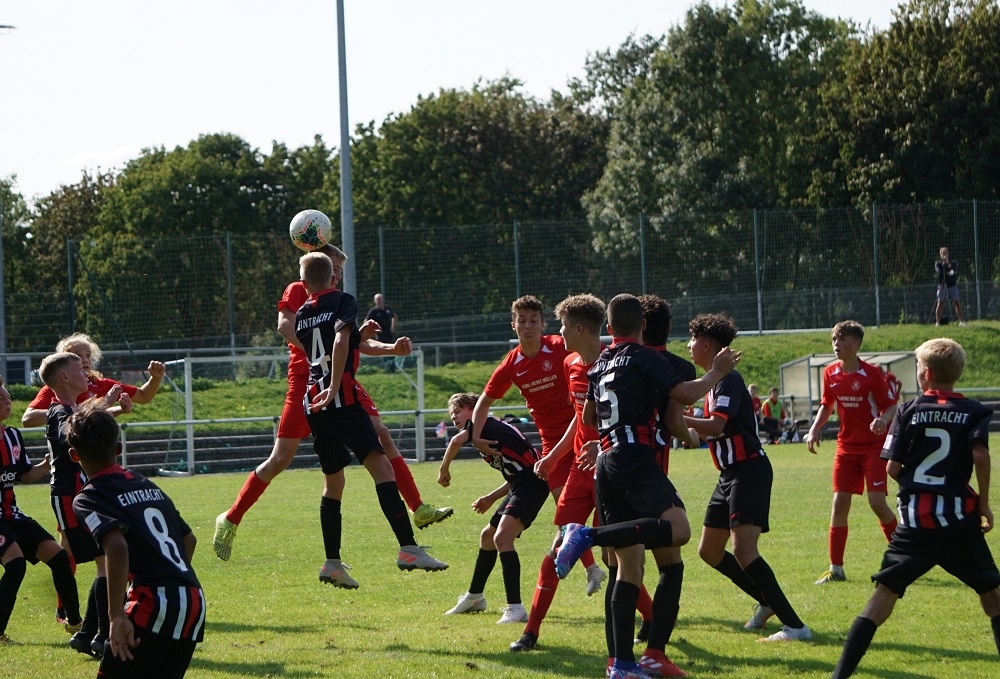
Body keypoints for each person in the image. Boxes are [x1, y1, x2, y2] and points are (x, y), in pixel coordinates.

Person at [213, 245, 451, 562]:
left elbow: (354, 342)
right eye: (334, 269)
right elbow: (285, 326)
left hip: (342, 382)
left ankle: (416, 509)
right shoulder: (300, 290)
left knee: (380, 435)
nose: (337, 275)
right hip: (308, 384)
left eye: (339, 270)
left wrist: (391, 349)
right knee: (282, 459)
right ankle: (231, 518)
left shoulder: (337, 298)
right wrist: (319, 354)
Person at [554, 294, 740, 679]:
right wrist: (716, 372)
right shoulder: (648, 358)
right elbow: (685, 396)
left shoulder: (599, 363)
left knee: (628, 568)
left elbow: (588, 416)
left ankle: (621, 664)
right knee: (679, 532)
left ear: (609, 328)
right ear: (642, 326)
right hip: (636, 460)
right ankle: (587, 535)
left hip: (605, 463)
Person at [831, 338, 1000, 678]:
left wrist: (915, 485)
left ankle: (840, 675)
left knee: (882, 598)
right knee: (992, 595)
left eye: (919, 367)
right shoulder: (974, 411)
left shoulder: (908, 410)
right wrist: (982, 500)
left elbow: (892, 467)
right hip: (958, 521)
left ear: (927, 373)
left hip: (915, 525)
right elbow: (980, 454)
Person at [294, 251, 446, 586]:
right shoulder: (343, 300)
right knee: (382, 467)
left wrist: (368, 341)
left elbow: (338, 344)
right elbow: (340, 340)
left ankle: (332, 564)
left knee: (333, 484)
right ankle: (409, 549)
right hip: (341, 399)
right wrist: (335, 386)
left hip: (313, 403)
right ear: (332, 278)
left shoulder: (302, 313)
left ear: (304, 283)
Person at [684, 313, 812, 643]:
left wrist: (676, 419)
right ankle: (766, 601)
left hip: (749, 470)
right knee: (709, 551)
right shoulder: (714, 383)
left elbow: (716, 426)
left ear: (707, 345)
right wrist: (685, 427)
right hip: (730, 474)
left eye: (692, 339)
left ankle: (796, 627)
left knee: (744, 550)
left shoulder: (728, 379)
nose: (688, 345)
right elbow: (712, 432)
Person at [508, 294, 620, 654]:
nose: (558, 333)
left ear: (579, 328)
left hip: (611, 473)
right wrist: (555, 456)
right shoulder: (570, 362)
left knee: (617, 556)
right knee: (559, 545)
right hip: (578, 472)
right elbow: (579, 419)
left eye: (563, 326)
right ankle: (531, 632)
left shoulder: (616, 364)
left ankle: (649, 621)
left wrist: (603, 446)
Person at [470, 295, 602, 594]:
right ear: (513, 325)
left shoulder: (560, 347)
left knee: (594, 504)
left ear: (543, 324)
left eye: (533, 320)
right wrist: (476, 435)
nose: (528, 326)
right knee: (565, 512)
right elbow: (484, 401)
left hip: (582, 435)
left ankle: (609, 559)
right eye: (522, 321)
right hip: (551, 444)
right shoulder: (512, 363)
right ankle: (592, 568)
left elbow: (587, 364)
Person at [67, 401, 206, 678]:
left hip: (153, 601)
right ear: (118, 449)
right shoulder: (146, 484)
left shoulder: (89, 496)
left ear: (73, 455)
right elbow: (189, 539)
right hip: (192, 599)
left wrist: (116, 617)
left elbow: (117, 547)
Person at [40, 352, 133, 658]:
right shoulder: (57, 411)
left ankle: (88, 636)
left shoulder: (70, 409)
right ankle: (100, 636)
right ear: (65, 377)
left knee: (105, 561)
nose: (86, 374)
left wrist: (113, 408)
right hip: (70, 498)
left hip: (81, 496)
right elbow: (72, 431)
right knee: (106, 560)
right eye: (80, 369)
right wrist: (105, 404)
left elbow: (82, 421)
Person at [438, 392, 549, 625]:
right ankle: (474, 597)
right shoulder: (484, 430)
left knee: (502, 538)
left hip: (533, 485)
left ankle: (515, 608)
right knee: (488, 536)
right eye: (451, 414)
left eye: (457, 411)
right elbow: (516, 475)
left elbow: (455, 441)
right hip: (522, 484)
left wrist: (444, 469)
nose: (453, 417)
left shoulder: (484, 425)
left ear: (474, 409)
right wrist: (490, 497)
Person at [805, 320, 899, 585]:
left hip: (873, 447)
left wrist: (883, 419)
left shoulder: (872, 374)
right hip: (846, 447)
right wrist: (814, 429)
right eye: (834, 339)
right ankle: (836, 569)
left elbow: (891, 406)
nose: (837, 344)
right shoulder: (830, 373)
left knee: (877, 503)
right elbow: (827, 404)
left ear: (856, 344)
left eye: (843, 339)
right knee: (839, 503)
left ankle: (904, 556)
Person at [0, 375, 83, 645]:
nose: (7, 401)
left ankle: (75, 623)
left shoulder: (12, 436)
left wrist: (46, 465)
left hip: (10, 514)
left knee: (59, 557)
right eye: (1, 398)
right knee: (15, 564)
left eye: (8, 396)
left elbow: (25, 475)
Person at [21, 333, 165, 428]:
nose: (85, 360)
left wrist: (155, 378)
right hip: (71, 454)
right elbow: (27, 420)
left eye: (88, 355)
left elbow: (143, 396)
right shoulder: (56, 388)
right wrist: (63, 412)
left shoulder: (101, 384)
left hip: (96, 450)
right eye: (77, 355)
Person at [934, 246, 965, 326]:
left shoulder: (954, 262)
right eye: (943, 254)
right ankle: (938, 322)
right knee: (940, 303)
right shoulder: (938, 264)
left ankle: (961, 322)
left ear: (948, 253)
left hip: (952, 285)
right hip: (942, 286)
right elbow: (940, 272)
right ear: (940, 255)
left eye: (946, 253)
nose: (944, 255)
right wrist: (947, 270)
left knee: (956, 302)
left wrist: (948, 263)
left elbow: (953, 271)